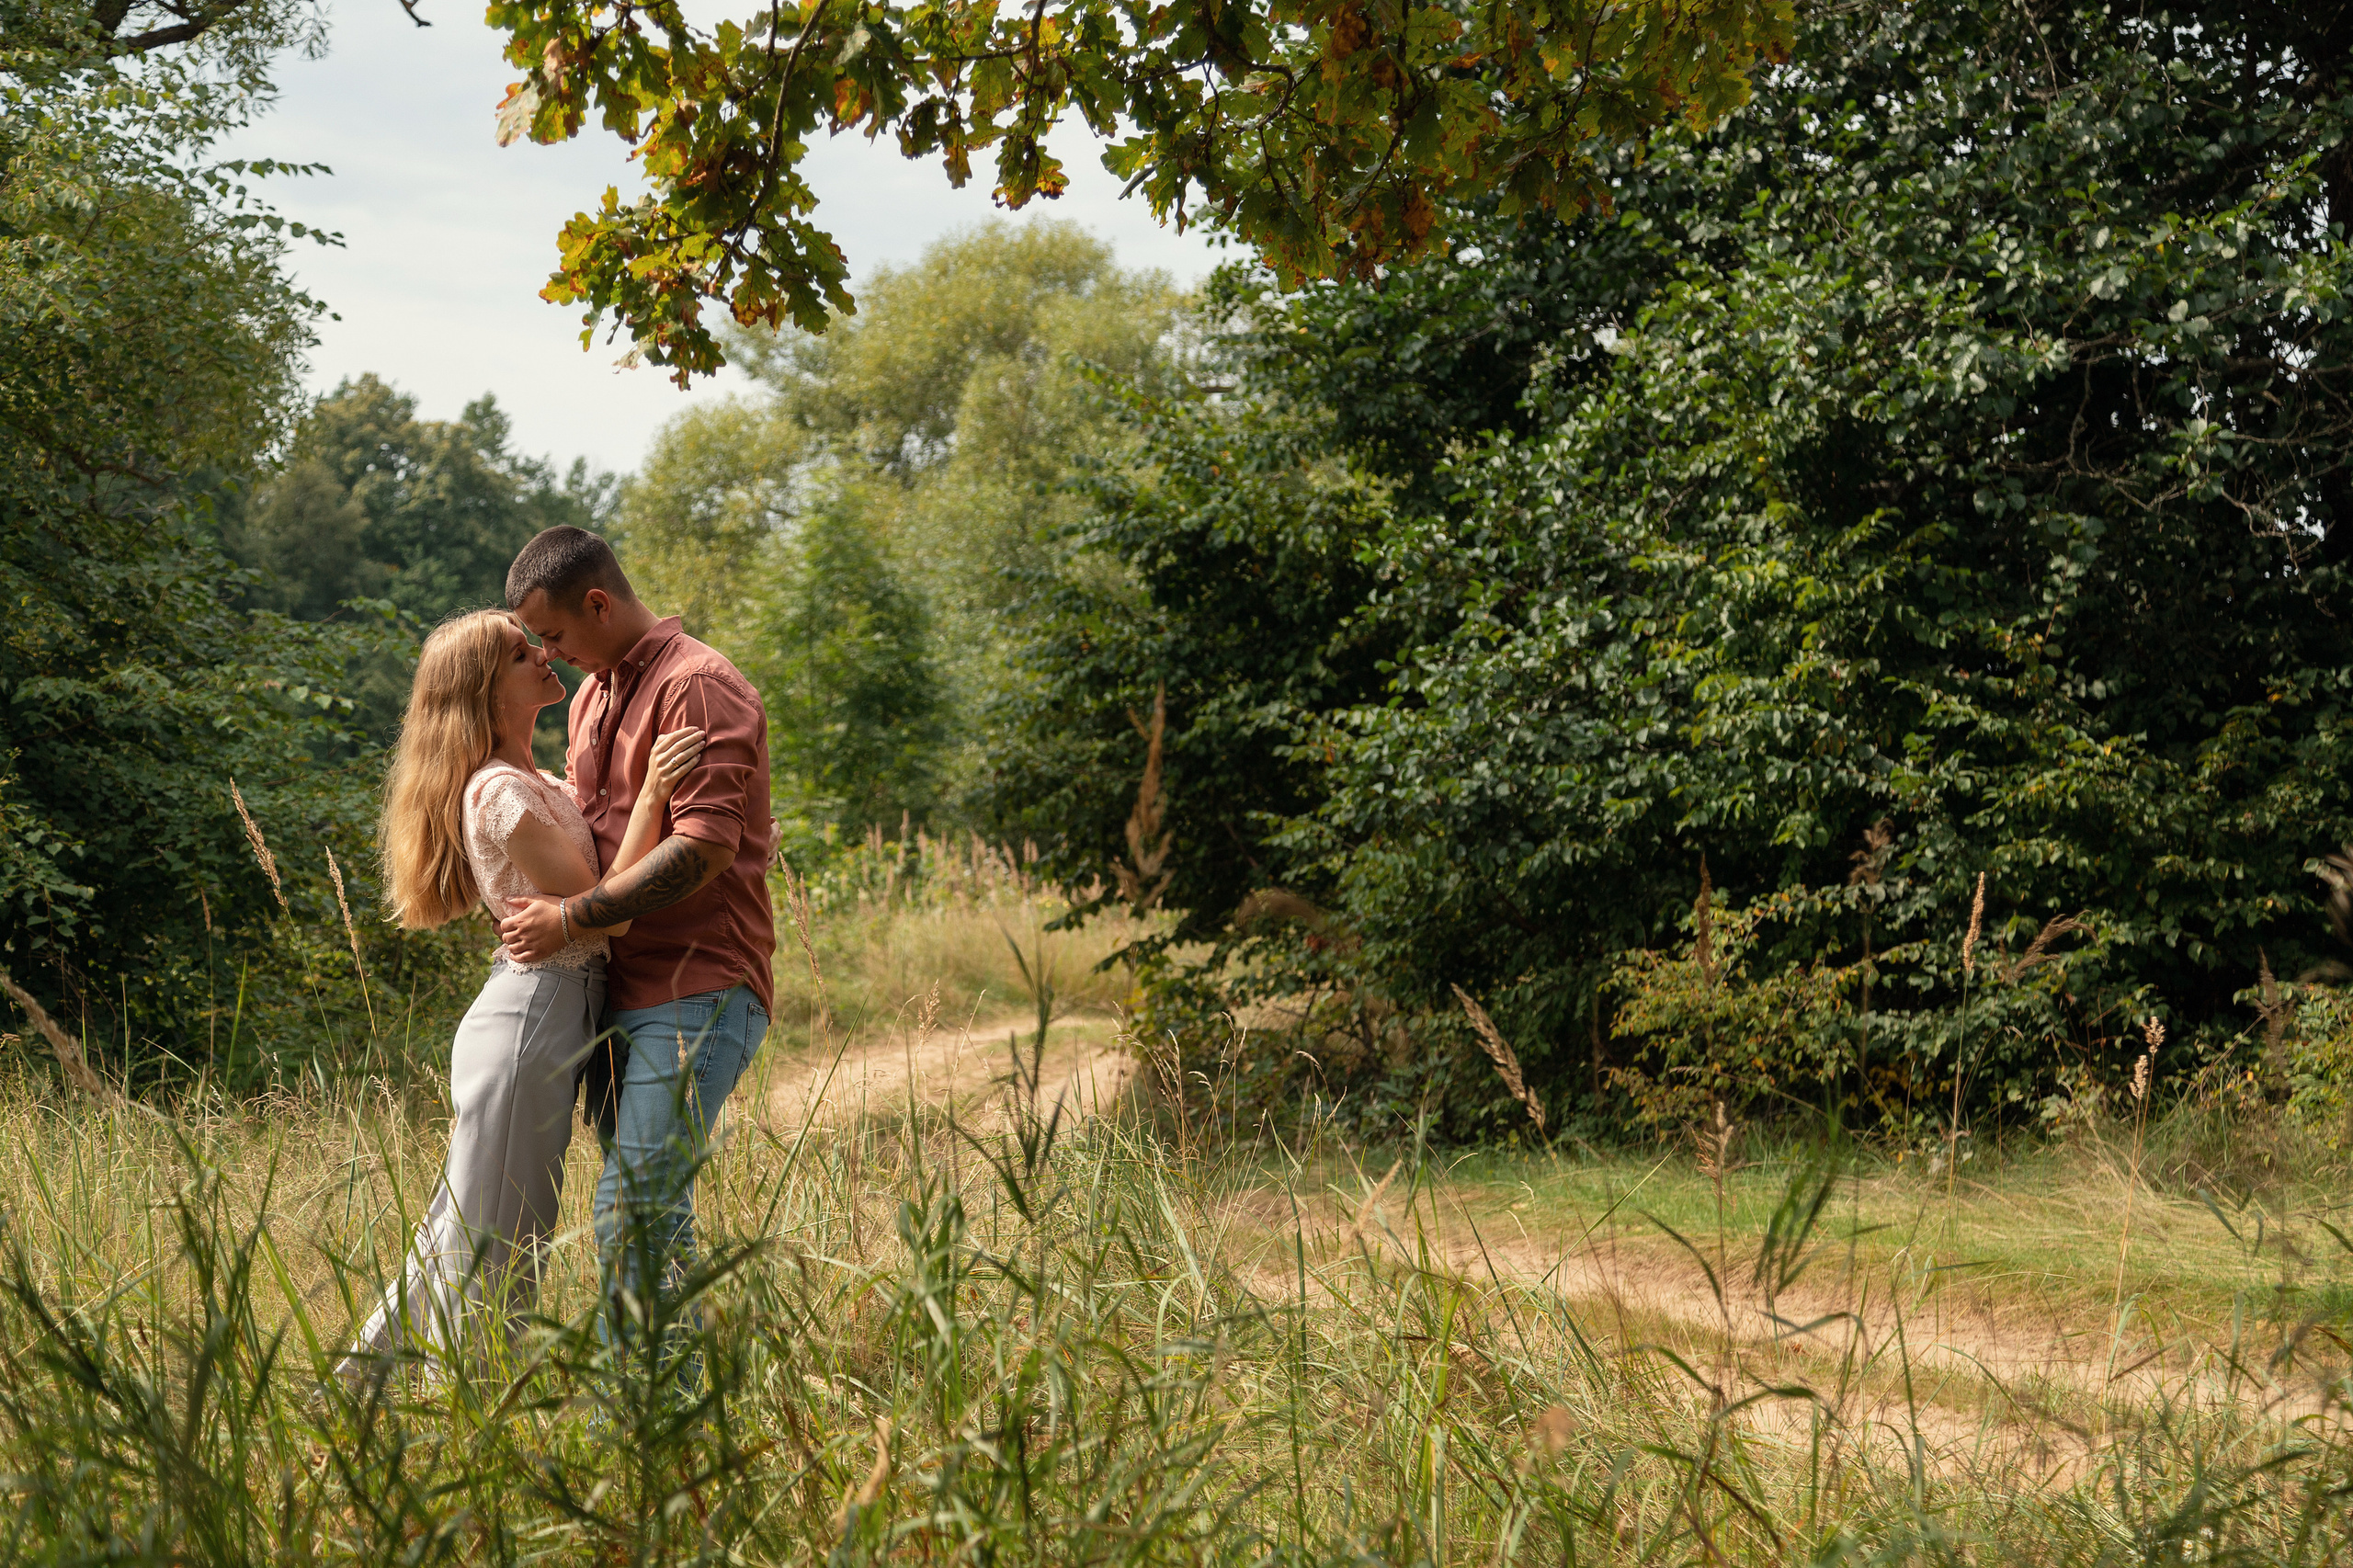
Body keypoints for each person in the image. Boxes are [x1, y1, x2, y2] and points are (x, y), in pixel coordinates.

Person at [350, 608, 704, 1370]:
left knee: (476, 1224)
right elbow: (603, 906)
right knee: (499, 1233)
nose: (544, 655)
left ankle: (368, 1390)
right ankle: (459, 1393)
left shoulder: (538, 780)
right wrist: (653, 797)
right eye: (520, 653)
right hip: (529, 1017)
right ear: (486, 688)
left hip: (546, 1014)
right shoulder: (496, 794)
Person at [494, 527, 778, 1369]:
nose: (549, 654)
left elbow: (703, 851)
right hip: (616, 996)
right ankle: (677, 1412)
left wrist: (573, 918)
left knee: (633, 1211)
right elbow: (594, 837)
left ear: (598, 603)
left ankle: (650, 1417)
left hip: (699, 988)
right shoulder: (586, 701)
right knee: (652, 1212)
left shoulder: (698, 686)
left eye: (553, 636)